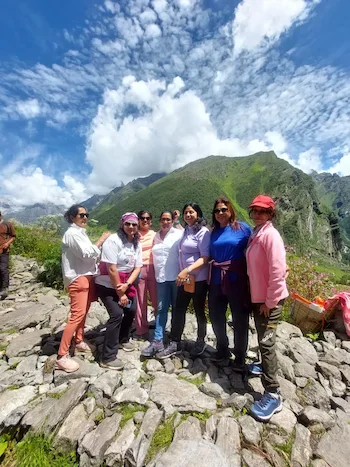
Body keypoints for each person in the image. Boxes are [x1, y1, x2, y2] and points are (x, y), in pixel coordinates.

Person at [246, 195, 289, 421]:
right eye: (255, 211)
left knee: (266, 342)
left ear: (271, 214)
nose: (258, 215)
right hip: (259, 298)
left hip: (268, 301)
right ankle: (263, 366)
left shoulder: (270, 235)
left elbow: (278, 272)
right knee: (263, 337)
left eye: (263, 211)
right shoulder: (257, 232)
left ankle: (273, 393)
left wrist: (269, 302)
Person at [57, 204, 110, 372]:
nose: (85, 217)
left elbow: (88, 254)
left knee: (83, 312)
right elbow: (86, 254)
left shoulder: (79, 233)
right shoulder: (72, 234)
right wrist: (101, 241)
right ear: (72, 217)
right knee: (76, 315)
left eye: (86, 214)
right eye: (81, 215)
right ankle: (62, 355)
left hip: (85, 277)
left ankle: (79, 340)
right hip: (78, 278)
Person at [157, 202, 210, 359]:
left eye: (191, 212)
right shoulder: (186, 230)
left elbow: (205, 258)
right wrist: (177, 220)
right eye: (186, 212)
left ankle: (200, 340)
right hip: (185, 278)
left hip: (198, 279)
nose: (188, 215)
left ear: (198, 214)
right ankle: (175, 342)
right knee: (179, 309)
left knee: (199, 310)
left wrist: (186, 270)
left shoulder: (203, 232)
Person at [95, 212, 142, 370]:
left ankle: (123, 339)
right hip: (107, 284)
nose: (131, 227)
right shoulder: (113, 241)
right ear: (122, 224)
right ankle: (108, 357)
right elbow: (111, 269)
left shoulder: (136, 243)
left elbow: (137, 267)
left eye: (134, 224)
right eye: (128, 224)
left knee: (132, 309)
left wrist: (127, 285)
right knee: (117, 315)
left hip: (125, 283)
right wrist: (120, 293)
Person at [208, 197, 252, 365]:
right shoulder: (212, 231)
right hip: (216, 281)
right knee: (216, 316)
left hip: (236, 280)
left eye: (224, 209)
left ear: (231, 211)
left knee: (239, 318)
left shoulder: (243, 229)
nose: (220, 213)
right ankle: (222, 349)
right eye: (217, 210)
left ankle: (240, 356)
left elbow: (257, 248)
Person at [142, 210, 183, 357]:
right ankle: (158, 340)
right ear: (160, 221)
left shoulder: (178, 234)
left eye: (168, 220)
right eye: (163, 220)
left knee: (177, 310)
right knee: (160, 309)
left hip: (176, 278)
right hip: (161, 279)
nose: (165, 222)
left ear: (172, 221)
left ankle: (175, 340)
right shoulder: (156, 236)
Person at [135, 210, 157, 338]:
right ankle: (141, 328)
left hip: (154, 268)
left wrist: (176, 221)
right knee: (140, 301)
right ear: (138, 220)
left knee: (156, 299)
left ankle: (159, 328)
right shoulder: (134, 235)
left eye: (148, 218)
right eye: (142, 218)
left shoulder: (155, 235)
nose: (145, 220)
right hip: (138, 269)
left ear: (151, 221)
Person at [0, 211, 16, 300]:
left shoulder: (7, 225)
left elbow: (13, 236)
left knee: (3, 269)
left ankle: (5, 289)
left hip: (4, 251)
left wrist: (7, 243)